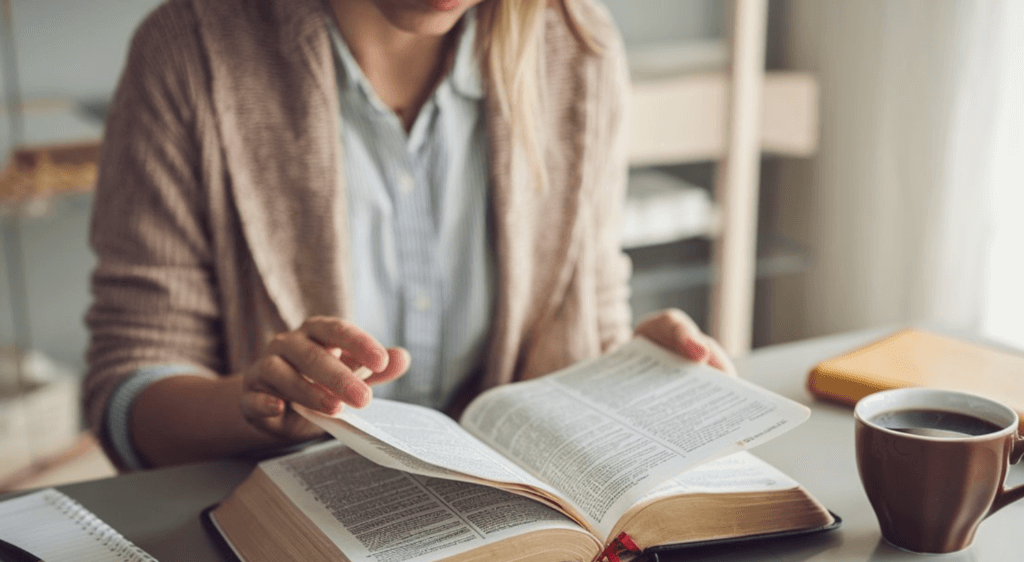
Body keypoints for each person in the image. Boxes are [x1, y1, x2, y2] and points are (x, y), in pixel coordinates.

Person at [84, 0, 733, 471]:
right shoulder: (190, 53)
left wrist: (631, 369)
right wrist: (252, 403)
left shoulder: (577, 44)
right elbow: (125, 399)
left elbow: (586, 323)